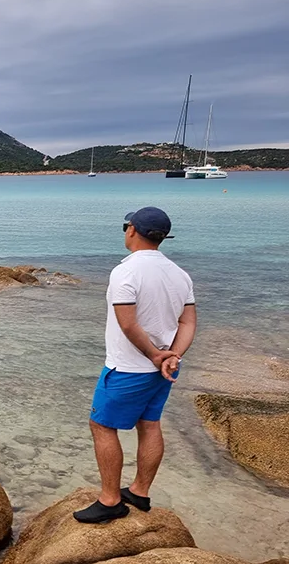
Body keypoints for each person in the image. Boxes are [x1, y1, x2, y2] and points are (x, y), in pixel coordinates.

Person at [74, 206, 197, 524]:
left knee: (102, 426)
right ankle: (139, 492)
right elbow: (187, 322)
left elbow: (128, 324)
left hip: (128, 367)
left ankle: (110, 500)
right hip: (163, 369)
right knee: (150, 424)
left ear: (132, 230)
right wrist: (172, 355)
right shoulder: (179, 274)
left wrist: (155, 355)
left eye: (126, 226)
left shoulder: (126, 272)